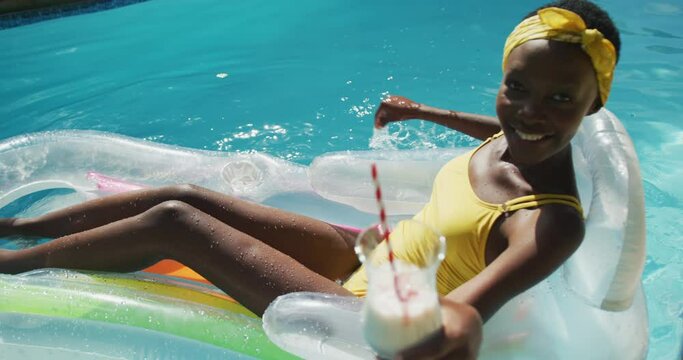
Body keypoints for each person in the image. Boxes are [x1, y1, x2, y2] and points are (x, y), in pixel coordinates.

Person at [0, 0, 620, 358]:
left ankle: (10, 268)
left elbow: (454, 319)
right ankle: (19, 228)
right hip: (363, 253)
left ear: (594, 104)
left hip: (361, 307)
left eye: (561, 98)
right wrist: (424, 111)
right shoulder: (515, 137)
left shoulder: (550, 223)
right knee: (182, 193)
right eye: (517, 87)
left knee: (176, 224)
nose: (531, 112)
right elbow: (501, 127)